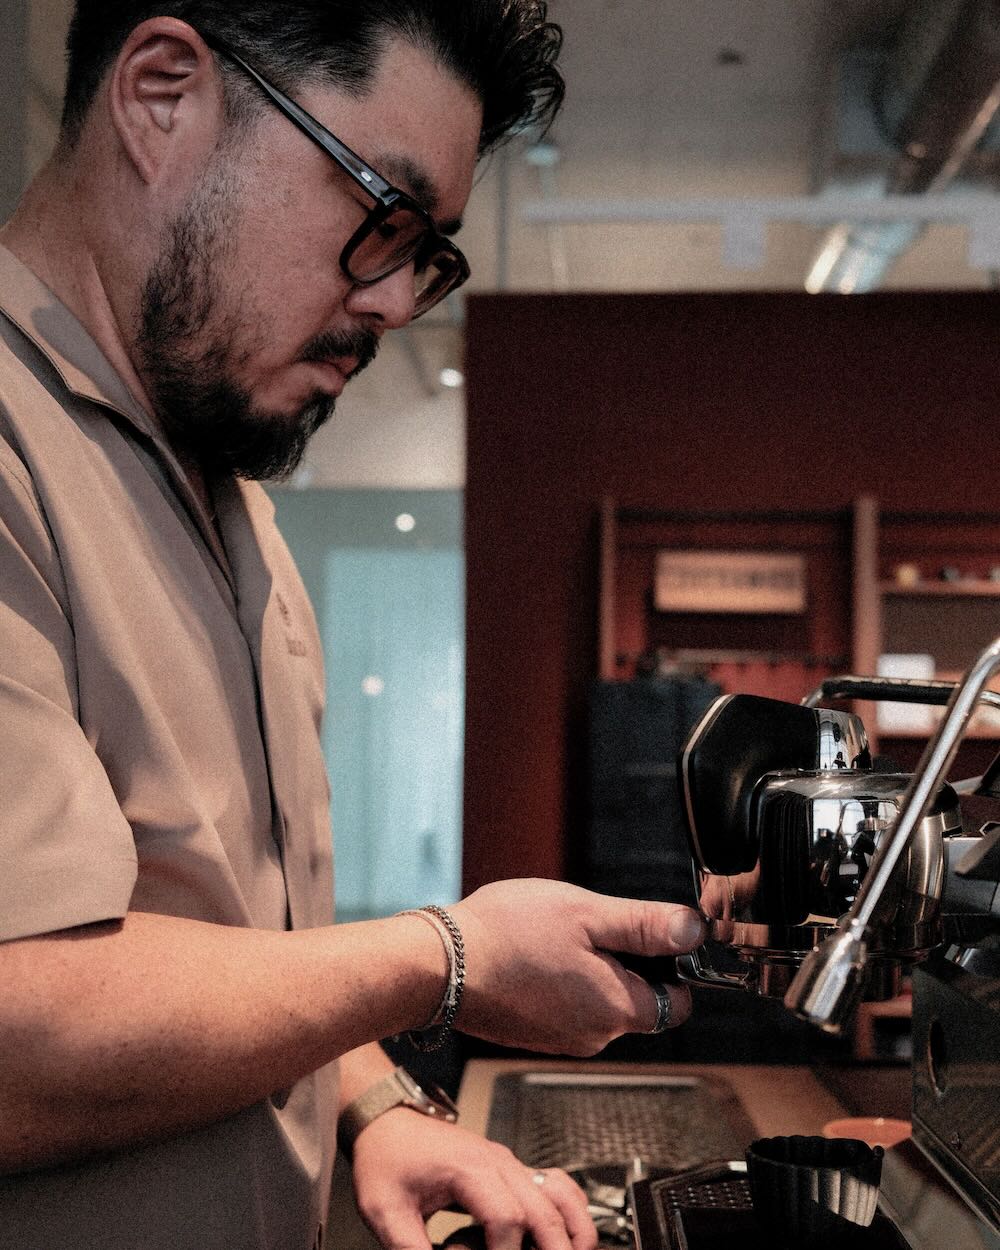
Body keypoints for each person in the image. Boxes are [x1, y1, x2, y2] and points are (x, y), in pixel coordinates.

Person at [0, 4, 708, 1247]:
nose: (391, 304)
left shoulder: (239, 514)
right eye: (383, 213)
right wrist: (447, 956)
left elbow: (249, 946)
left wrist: (373, 1101)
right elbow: (20, 1029)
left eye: (425, 254)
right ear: (162, 97)